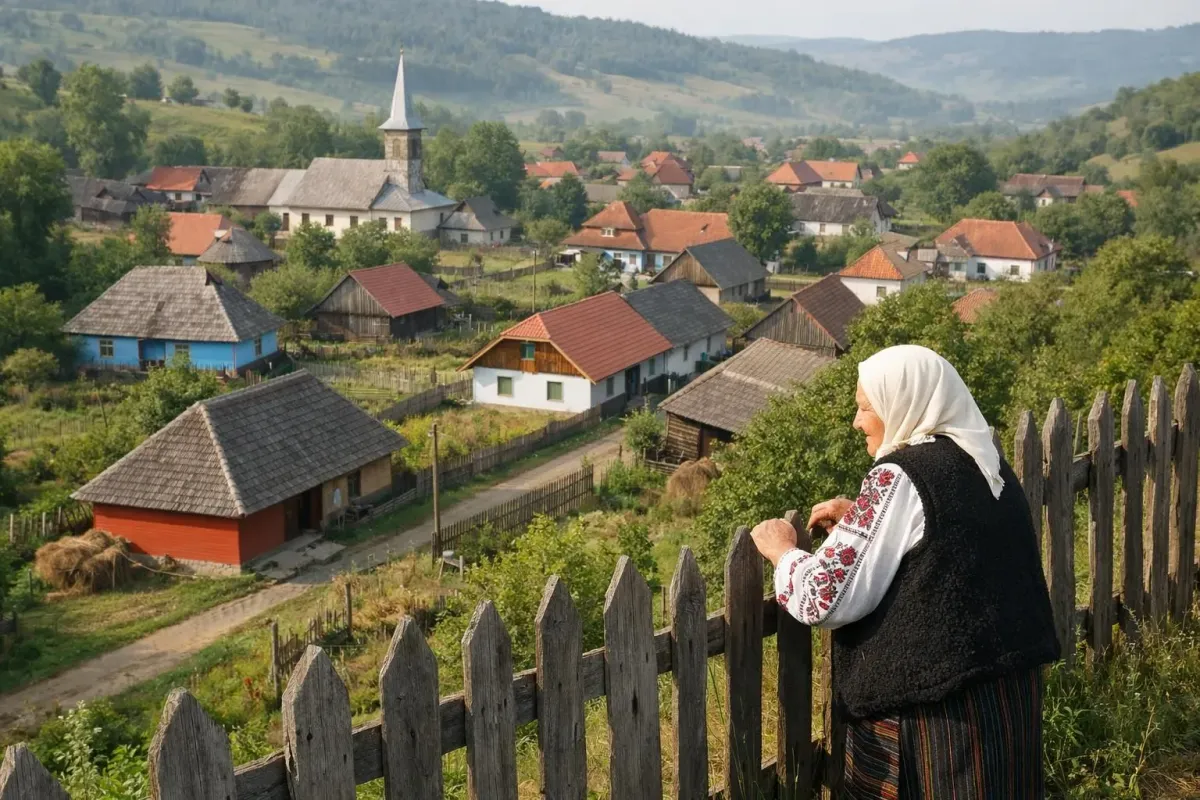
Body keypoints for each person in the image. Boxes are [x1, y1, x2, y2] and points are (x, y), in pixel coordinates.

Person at [751, 344, 1060, 799]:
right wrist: (865, 518)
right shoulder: (982, 458)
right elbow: (948, 540)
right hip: (1003, 697)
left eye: (865, 407)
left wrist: (782, 552)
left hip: (936, 719)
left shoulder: (900, 476)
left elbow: (823, 597)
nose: (857, 422)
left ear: (904, 402)